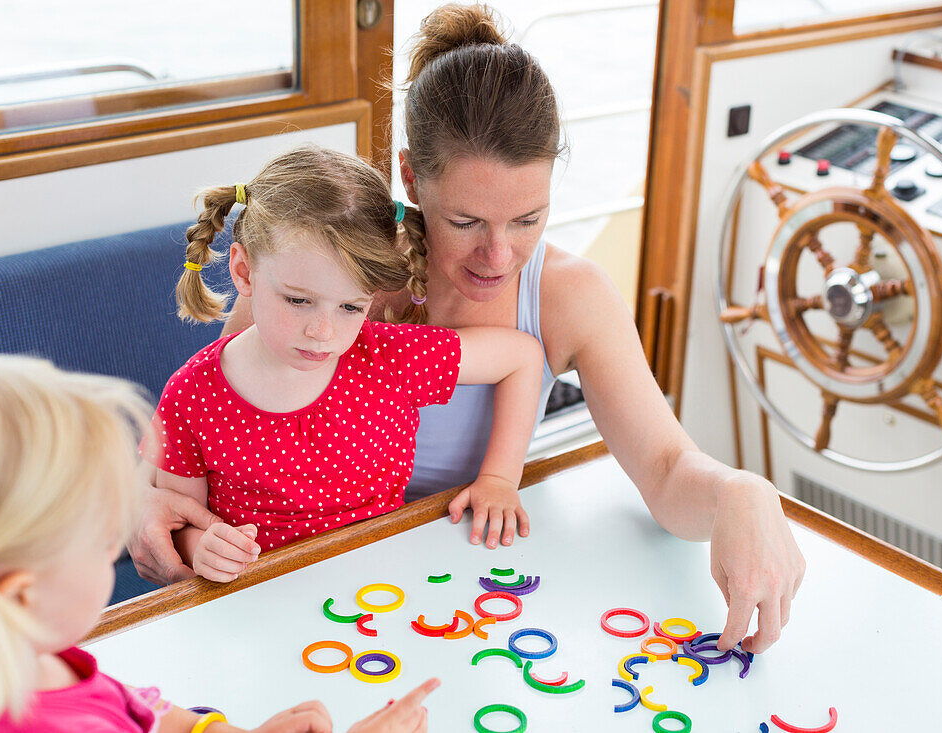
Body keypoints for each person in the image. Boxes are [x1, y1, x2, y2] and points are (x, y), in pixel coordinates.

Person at [132, 3, 805, 654]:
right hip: (296, 586)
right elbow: (222, 419)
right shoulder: (331, 265)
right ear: (410, 178)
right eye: (465, 222)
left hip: (448, 595)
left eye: (527, 219)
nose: (499, 256)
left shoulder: (570, 295)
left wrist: (738, 493)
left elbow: (665, 469)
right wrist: (151, 513)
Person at [146, 145, 542, 582]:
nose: (323, 331)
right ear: (244, 272)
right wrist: (200, 548)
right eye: (298, 300)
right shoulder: (190, 395)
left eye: (350, 307)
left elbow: (522, 357)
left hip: (384, 587)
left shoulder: (391, 357)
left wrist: (500, 479)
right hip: (259, 597)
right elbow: (178, 518)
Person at [0, 354, 439, 732]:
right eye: (102, 541)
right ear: (21, 595)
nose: (118, 548)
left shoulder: (39, 659)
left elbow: (149, 714)